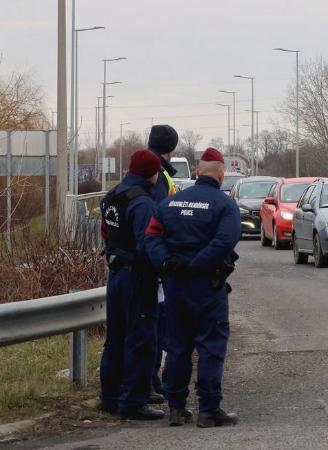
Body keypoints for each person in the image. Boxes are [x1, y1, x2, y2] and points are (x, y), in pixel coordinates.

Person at [145, 147, 241, 427]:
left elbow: (150, 237)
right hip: (208, 287)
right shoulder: (224, 205)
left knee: (177, 346)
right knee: (211, 346)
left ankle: (176, 408)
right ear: (221, 176)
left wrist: (167, 264)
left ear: (197, 172)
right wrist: (197, 265)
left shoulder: (170, 204)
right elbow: (225, 241)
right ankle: (208, 410)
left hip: (175, 285)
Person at [99, 150, 165, 420]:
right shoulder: (143, 203)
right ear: (152, 172)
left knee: (115, 337)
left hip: (116, 272)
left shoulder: (113, 195)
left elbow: (107, 231)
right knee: (141, 337)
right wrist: (160, 272)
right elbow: (147, 244)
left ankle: (111, 397)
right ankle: (134, 401)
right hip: (136, 276)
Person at [147, 124, 179, 404]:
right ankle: (151, 380)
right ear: (171, 148)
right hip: (155, 261)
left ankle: (151, 380)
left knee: (156, 325)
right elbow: (158, 218)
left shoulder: (155, 170)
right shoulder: (158, 176)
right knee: (155, 325)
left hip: (152, 258)